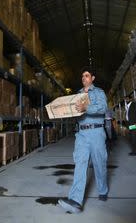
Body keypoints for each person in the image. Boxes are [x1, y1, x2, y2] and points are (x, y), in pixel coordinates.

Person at [58, 67, 108, 213]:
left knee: (99, 163)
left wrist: (87, 107)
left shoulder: (99, 92)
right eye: (82, 76)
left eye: (86, 75)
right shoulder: (77, 94)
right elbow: (74, 113)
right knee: (80, 164)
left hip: (97, 132)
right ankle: (75, 200)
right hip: (82, 134)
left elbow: (103, 108)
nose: (83, 78)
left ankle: (103, 190)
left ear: (92, 78)